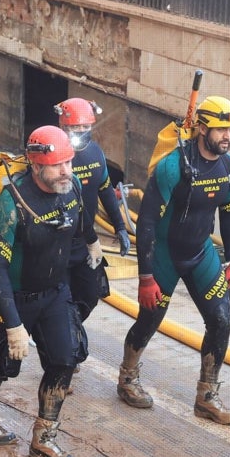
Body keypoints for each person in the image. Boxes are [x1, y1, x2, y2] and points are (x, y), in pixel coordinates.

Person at [0, 126, 100, 457]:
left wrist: (92, 241)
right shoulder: (9, 206)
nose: (66, 171)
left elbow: (81, 219)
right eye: (57, 165)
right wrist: (13, 325)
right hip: (12, 297)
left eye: (69, 162)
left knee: (66, 356)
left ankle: (44, 436)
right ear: (35, 164)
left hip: (55, 293)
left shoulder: (72, 189)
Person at [117, 95, 230, 425]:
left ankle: (207, 396)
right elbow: (145, 223)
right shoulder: (173, 167)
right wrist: (146, 278)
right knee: (150, 320)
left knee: (222, 321)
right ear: (201, 129)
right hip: (164, 256)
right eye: (220, 129)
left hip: (201, 254)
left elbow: (229, 213)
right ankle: (128, 379)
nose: (227, 136)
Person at [54, 97, 131, 328]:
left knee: (89, 294)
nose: (80, 132)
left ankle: (69, 331)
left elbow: (105, 189)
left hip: (86, 243)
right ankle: (63, 341)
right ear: (62, 127)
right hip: (57, 242)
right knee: (60, 298)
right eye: (74, 127)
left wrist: (120, 228)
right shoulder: (54, 160)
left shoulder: (95, 153)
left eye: (85, 127)